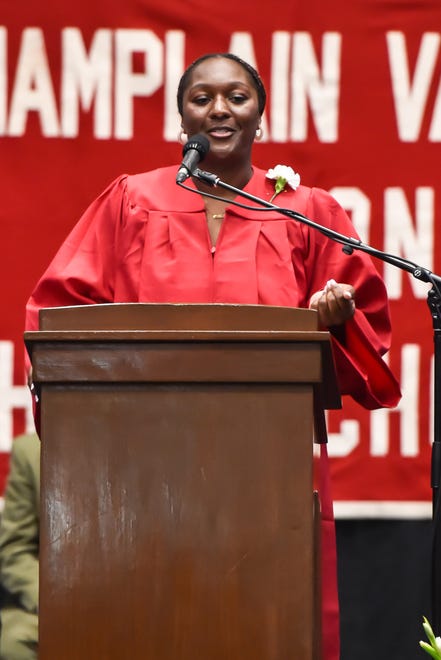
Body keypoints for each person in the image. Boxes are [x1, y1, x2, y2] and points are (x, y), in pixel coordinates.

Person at [25, 53, 401, 659]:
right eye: (201, 98)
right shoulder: (130, 201)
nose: (219, 110)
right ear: (182, 118)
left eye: (236, 97)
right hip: (139, 463)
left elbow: (368, 326)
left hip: (264, 472)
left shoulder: (304, 210)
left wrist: (333, 318)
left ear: (262, 116)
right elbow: (59, 311)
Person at [0, 433, 40, 660]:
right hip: (47, 602)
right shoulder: (30, 451)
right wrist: (51, 600)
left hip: (134, 599)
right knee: (15, 643)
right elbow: (16, 549)